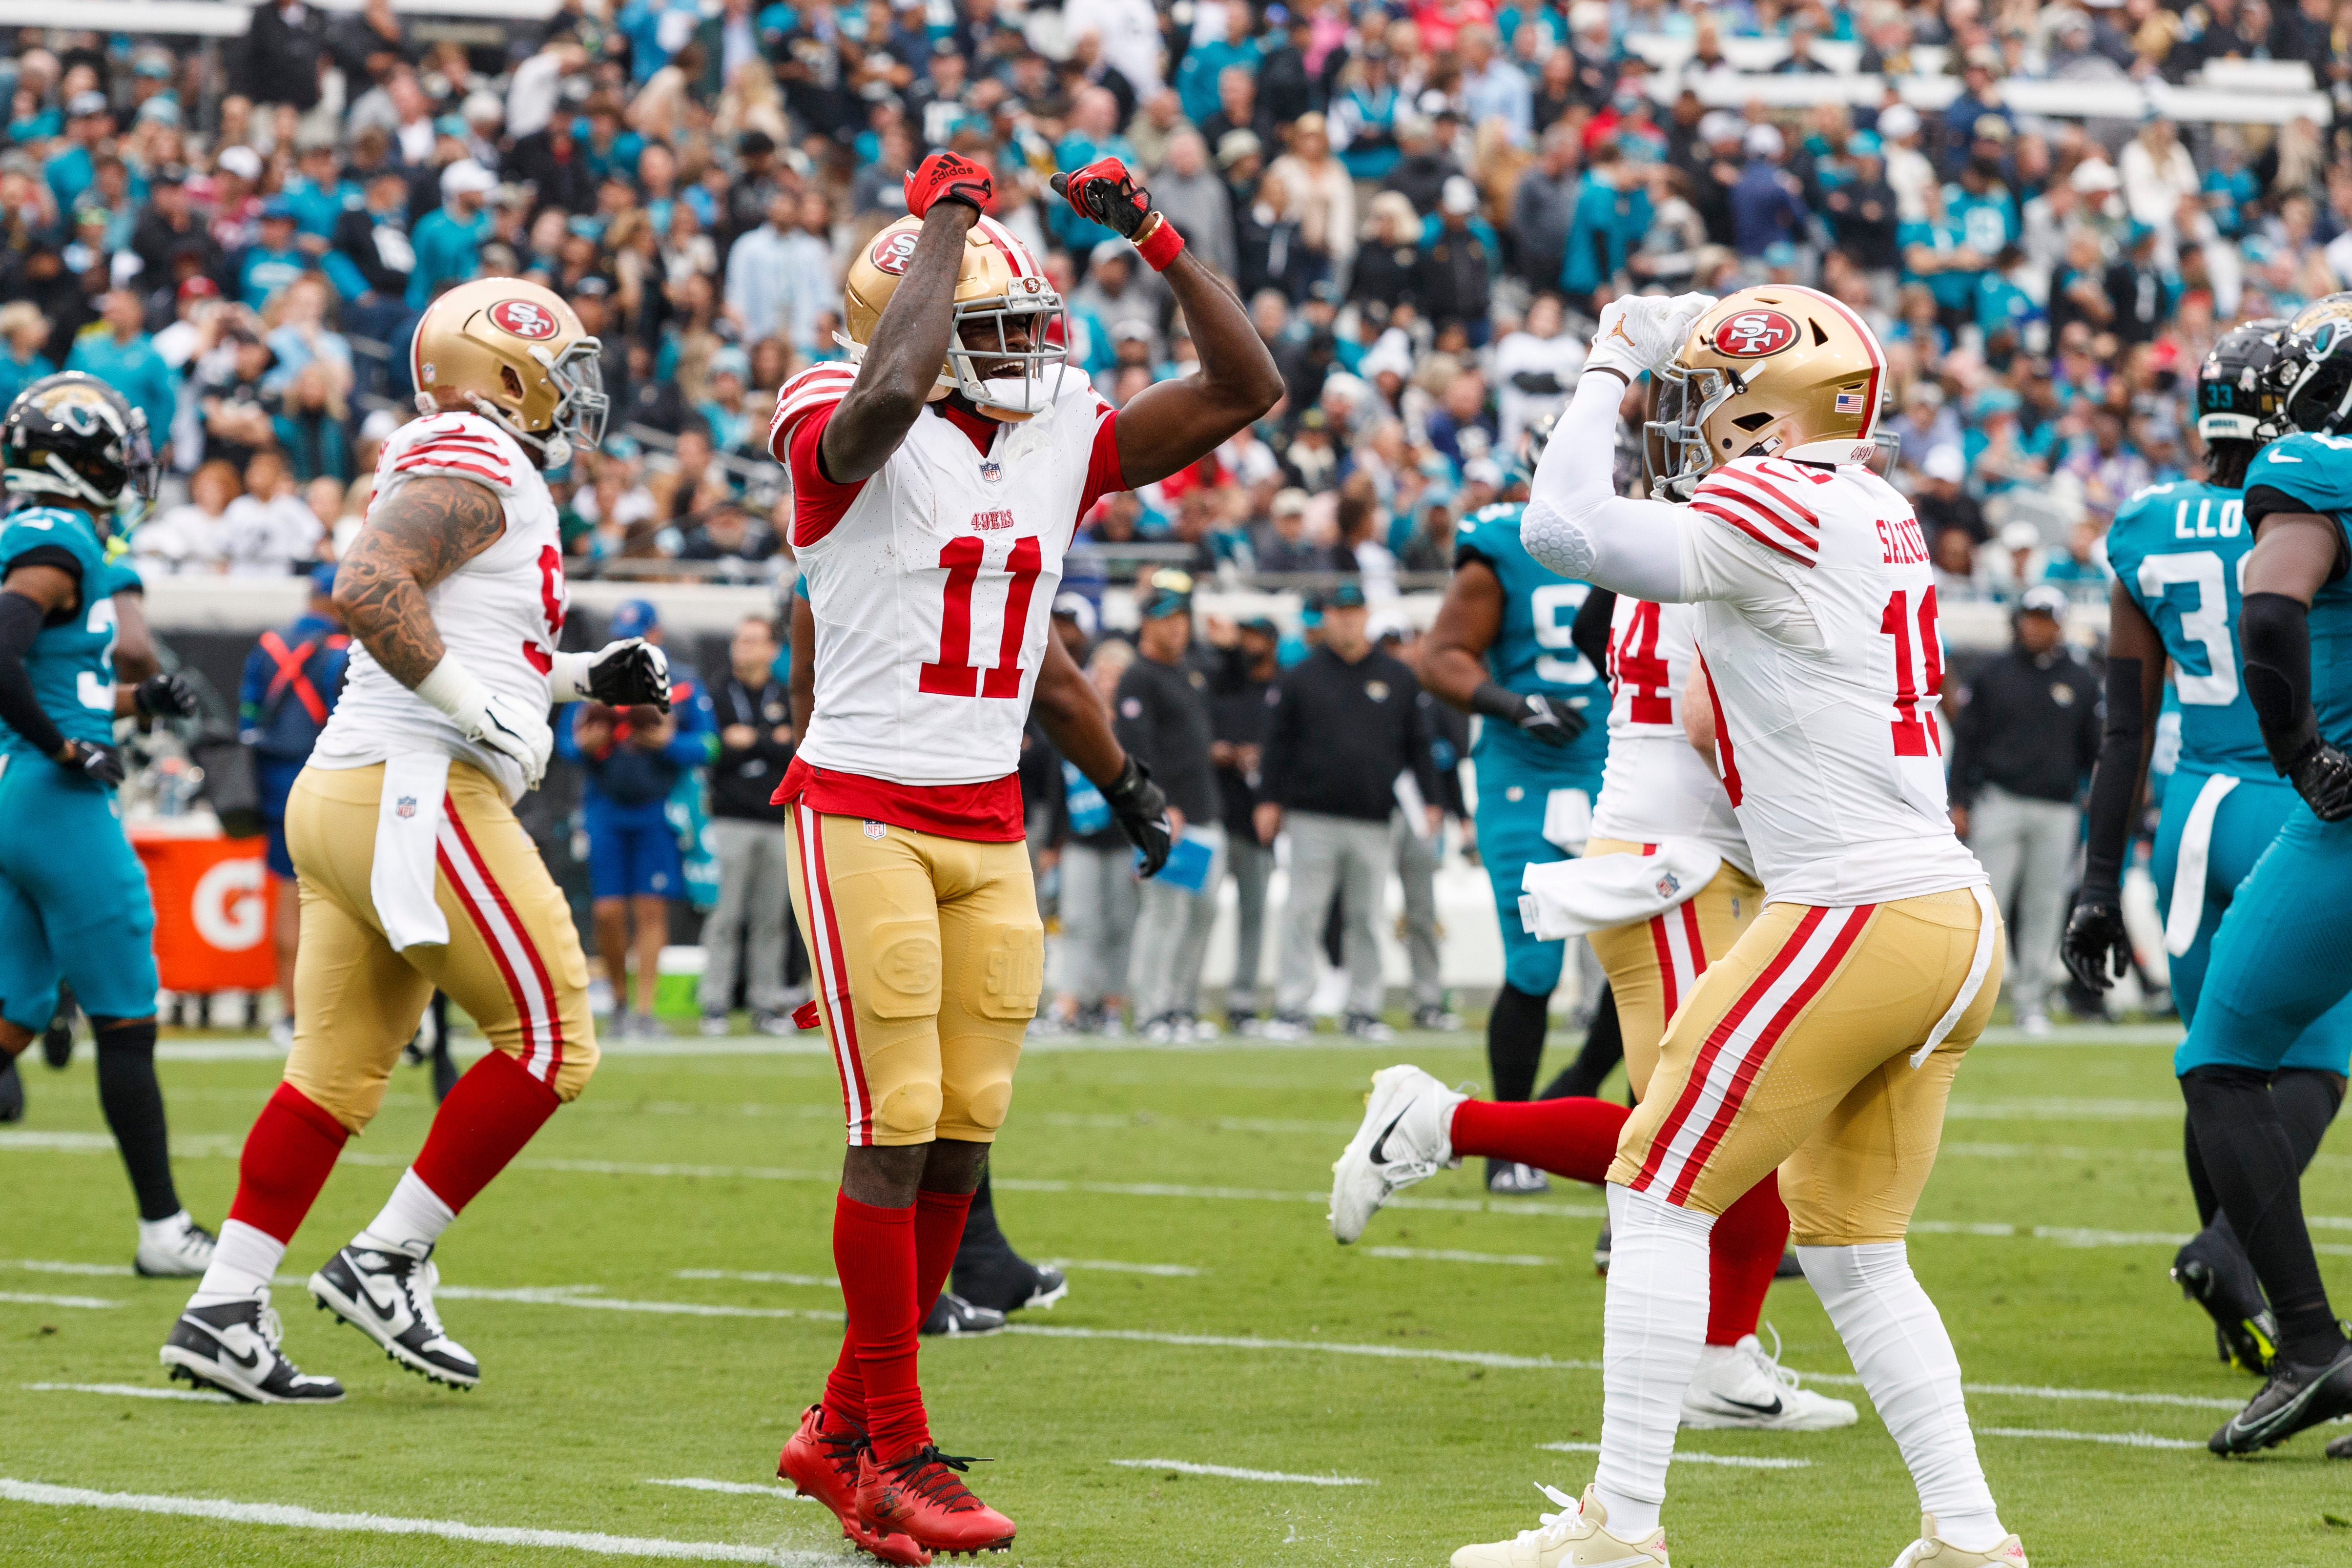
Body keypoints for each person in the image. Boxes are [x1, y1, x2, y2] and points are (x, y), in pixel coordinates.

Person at [1336, 288, 2022, 1566]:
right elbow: (1720, 722)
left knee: (1656, 1188)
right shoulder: (1877, 504)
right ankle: (1970, 1536)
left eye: (1710, 390)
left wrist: (1609, 362)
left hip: (1854, 904)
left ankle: (1620, 1527)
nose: (1691, 413)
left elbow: (1560, 524)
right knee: (1859, 1248)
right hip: (1951, 909)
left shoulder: (1774, 497)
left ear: (1774, 403)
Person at [763, 150, 1278, 1562]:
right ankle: (899, 1447)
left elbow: (1246, 388)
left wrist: (1162, 241)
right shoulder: (837, 402)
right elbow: (878, 405)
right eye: (986, 332)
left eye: (1023, 327)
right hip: (862, 802)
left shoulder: (1052, 427)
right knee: (893, 1128)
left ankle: (838, 1427)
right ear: (913, 326)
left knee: (959, 1140)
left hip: (989, 817)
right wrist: (945, 218)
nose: (1023, 353)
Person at [160, 277, 672, 1404]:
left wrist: (579, 678)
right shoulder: (473, 449)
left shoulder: (466, 458)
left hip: (359, 786)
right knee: (551, 1037)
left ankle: (226, 1303)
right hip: (415, 788)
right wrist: (476, 708)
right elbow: (370, 583)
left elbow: (468, 631)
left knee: (333, 1075)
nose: (571, 389)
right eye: (554, 366)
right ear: (497, 369)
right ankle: (384, 1256)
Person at [2063, 319, 2349, 1381]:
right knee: (2308, 1061)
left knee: (2217, 1060)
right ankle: (2237, 1255)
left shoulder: (2144, 523)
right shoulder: (2313, 491)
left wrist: (2097, 884)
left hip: (2192, 809)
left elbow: (2125, 726)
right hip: (2301, 793)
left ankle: (2249, 1306)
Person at [2138, 294, 2352, 1457]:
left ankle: (2313, 1342)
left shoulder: (2313, 467)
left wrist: (2303, 755)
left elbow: (2269, 605)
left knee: (2220, 1061)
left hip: (2335, 823)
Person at [0, 373, 212, 1274]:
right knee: (128, 1013)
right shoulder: (58, 537)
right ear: (77, 460)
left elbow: (66, 679)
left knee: (9, 1020)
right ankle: (164, 1230)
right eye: (114, 454)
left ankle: (163, 1227)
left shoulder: (46, 534)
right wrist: (66, 749)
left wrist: (138, 698)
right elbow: (2, 653)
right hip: (54, 803)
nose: (126, 468)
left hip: (21, 794)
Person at [1419, 445, 1612, 1189]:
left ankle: (1583, 1080)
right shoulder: (1498, 544)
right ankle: (1509, 1143)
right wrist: (1511, 704)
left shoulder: (1642, 532)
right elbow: (1439, 656)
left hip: (1617, 764)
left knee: (1643, 965)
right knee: (1534, 961)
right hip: (1523, 771)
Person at [1257, 581, 1443, 1041]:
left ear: (1366, 615)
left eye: (1354, 611)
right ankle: (1292, 1006)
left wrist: (1433, 800)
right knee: (1304, 913)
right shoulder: (1301, 676)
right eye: (1338, 612)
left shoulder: (1397, 677)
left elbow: (1418, 745)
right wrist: (1269, 800)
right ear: (1326, 618)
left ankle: (1364, 1008)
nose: (1347, 619)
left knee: (1367, 917)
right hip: (1312, 815)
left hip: (1374, 817)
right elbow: (1276, 745)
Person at [1946, 585, 2101, 1037]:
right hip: (2001, 801)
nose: (2034, 625)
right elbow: (1967, 744)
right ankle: (1971, 1002)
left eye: (2044, 618)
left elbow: (2095, 745)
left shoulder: (2082, 679)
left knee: (2044, 906)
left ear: (2060, 624)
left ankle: (2031, 1001)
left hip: (2057, 808)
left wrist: (2093, 790)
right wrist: (1959, 800)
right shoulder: (1993, 675)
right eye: (2029, 616)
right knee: (1988, 905)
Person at [558, 597, 714, 1039]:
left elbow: (710, 746)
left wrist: (669, 743)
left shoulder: (682, 683)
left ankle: (644, 1011)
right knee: (607, 912)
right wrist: (585, 745)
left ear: (657, 638)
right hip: (604, 807)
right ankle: (620, 1005)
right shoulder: (594, 678)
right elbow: (563, 743)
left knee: (651, 908)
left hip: (657, 808)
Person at [238, 563, 352, 1050]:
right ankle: (337, 1011)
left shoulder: (268, 646)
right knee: (341, 899)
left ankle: (290, 1013)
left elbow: (247, 714)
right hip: (331, 784)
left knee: (289, 895)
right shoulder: (344, 652)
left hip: (274, 786)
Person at [1115, 578, 1222, 1041]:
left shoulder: (1188, 672)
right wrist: (1160, 807)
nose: (1179, 629)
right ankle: (1152, 1010)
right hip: (1168, 816)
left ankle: (1181, 1006)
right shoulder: (1138, 676)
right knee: (1165, 916)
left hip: (1203, 811)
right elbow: (1138, 749)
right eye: (1168, 619)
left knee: (1200, 915)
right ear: (1148, 623)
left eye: (1182, 619)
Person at [699, 612, 801, 1035]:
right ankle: (715, 1004)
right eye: (740, 640)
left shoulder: (788, 695)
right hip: (730, 819)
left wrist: (751, 741)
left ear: (772, 649)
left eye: (753, 640)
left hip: (778, 820)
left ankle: (766, 1003)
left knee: (771, 919)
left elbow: (795, 749)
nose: (744, 647)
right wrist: (768, 741)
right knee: (724, 916)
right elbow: (716, 751)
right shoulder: (717, 693)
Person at [1209, 616, 1280, 1031]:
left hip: (1259, 823)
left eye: (1258, 637)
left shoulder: (1282, 689)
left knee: (1254, 915)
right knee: (1198, 915)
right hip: (1218, 815)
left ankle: (1243, 1001)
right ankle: (1178, 1001)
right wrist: (1220, 752)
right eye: (1246, 639)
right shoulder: (1222, 684)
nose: (1251, 645)